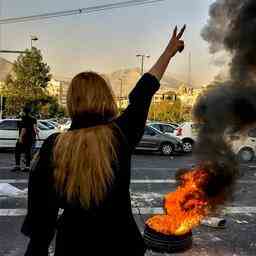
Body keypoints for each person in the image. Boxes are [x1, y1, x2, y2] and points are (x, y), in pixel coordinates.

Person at [21, 25, 186, 256]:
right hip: (122, 245)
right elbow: (143, 92)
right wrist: (168, 52)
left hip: (73, 247)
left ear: (71, 102)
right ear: (105, 98)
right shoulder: (120, 134)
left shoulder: (54, 146)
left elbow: (41, 224)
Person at [12, 105, 38, 172]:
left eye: (22, 111)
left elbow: (24, 129)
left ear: (24, 111)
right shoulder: (33, 119)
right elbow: (35, 129)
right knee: (28, 152)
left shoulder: (24, 118)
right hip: (31, 138)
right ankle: (27, 167)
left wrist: (20, 138)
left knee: (17, 151)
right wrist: (35, 135)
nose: (21, 112)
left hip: (24, 138)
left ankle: (17, 166)